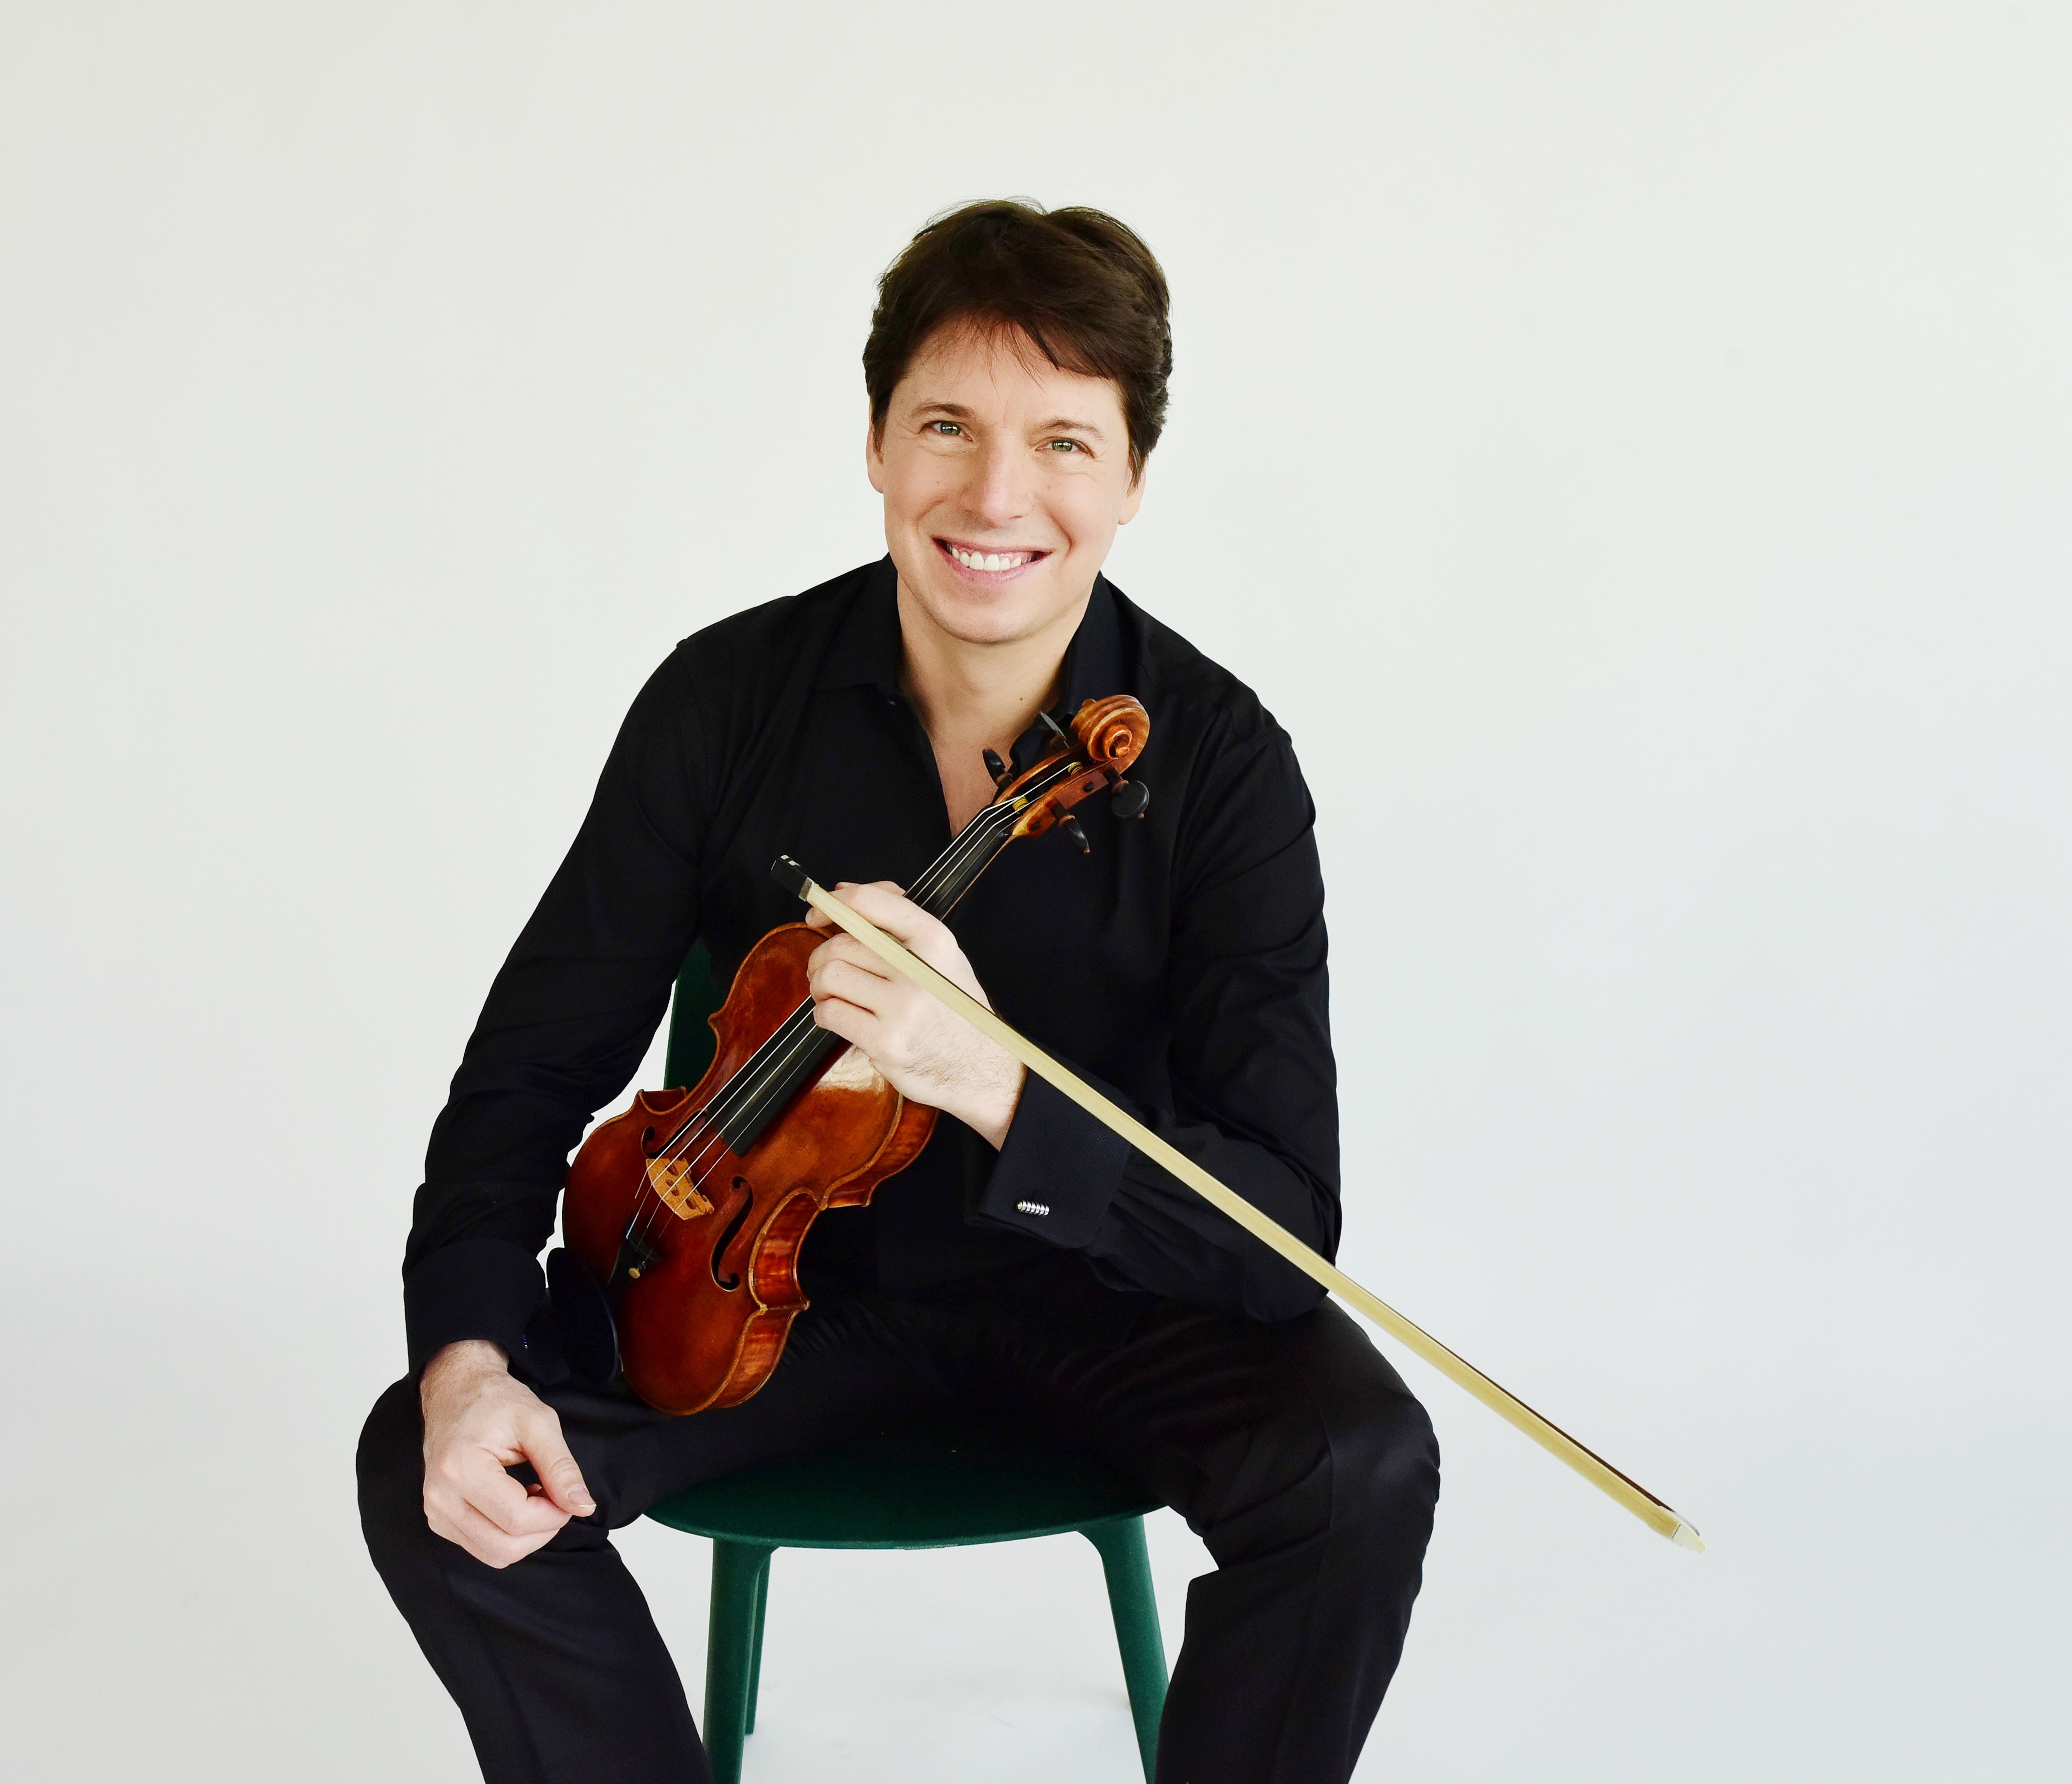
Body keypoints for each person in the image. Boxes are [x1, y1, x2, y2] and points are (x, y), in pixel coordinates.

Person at [358, 199, 1439, 1784]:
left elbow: (1281, 1228)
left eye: (1065, 441)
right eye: (948, 425)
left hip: (1104, 1310)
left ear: (1133, 477)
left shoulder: (1220, 766)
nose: (998, 496)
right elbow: (522, 1081)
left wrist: (986, 1076)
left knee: (1358, 1470)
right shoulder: (725, 703)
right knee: (433, 1473)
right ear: (876, 443)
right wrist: (462, 1364)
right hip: (764, 1305)